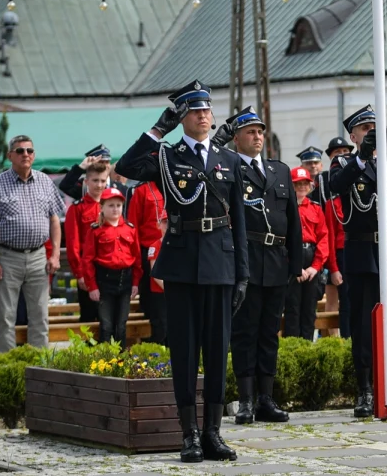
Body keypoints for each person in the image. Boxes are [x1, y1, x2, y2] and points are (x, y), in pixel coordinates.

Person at [115, 82, 248, 463]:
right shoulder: (166, 158)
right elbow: (125, 168)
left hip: (221, 264)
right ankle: (188, 434)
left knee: (218, 353)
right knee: (186, 353)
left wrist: (242, 275)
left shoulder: (229, 160)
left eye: (206, 110)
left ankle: (212, 434)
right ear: (182, 118)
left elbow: (238, 221)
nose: (203, 116)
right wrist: (158, 131)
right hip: (182, 263)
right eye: (194, 111)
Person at [328, 105, 387, 418]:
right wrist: (361, 157)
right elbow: (336, 186)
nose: (371, 133)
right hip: (363, 254)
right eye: (365, 129)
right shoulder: (343, 163)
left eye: (375, 127)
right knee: (364, 326)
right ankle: (365, 390)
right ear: (353, 135)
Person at [213, 106, 299, 426]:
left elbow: (292, 219)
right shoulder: (232, 167)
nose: (258, 136)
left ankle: (266, 398)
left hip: (276, 261)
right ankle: (246, 399)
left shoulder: (280, 171)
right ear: (236, 138)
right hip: (246, 260)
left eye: (260, 131)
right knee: (245, 333)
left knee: (269, 334)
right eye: (250, 132)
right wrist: (218, 148)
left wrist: (296, 261)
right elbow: (214, 175)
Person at [0, 135, 63, 352]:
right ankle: (7, 368)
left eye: (29, 150)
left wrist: (54, 256)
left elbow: (55, 220)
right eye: (20, 151)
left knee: (40, 317)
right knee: (5, 317)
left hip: (38, 257)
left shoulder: (45, 181)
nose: (25, 154)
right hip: (7, 257)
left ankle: (39, 368)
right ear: (10, 156)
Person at [81, 187, 141, 347]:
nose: (115, 209)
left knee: (121, 326)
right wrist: (92, 286)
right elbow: (87, 260)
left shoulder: (130, 229)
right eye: (111, 205)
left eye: (118, 205)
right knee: (106, 326)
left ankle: (120, 364)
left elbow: (137, 259)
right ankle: (106, 362)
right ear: (102, 207)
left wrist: (135, 283)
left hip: (125, 281)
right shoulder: (96, 230)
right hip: (104, 282)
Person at [283, 166, 329, 342]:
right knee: (292, 309)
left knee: (310, 311)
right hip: (291, 262)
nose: (302, 187)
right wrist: (295, 268)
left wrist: (315, 267)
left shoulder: (316, 209)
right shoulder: (285, 209)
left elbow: (323, 238)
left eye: (305, 183)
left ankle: (308, 348)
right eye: (298, 184)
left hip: (311, 262)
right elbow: (283, 239)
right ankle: (292, 349)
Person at [64, 162, 109, 324]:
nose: (99, 185)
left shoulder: (113, 206)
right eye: (95, 180)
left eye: (103, 181)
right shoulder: (77, 208)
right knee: (90, 318)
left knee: (110, 320)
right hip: (88, 270)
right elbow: (73, 244)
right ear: (86, 182)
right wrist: (80, 274)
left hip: (110, 269)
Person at [126, 178, 168, 344]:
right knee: (154, 307)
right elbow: (133, 224)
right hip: (149, 251)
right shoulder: (142, 190)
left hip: (173, 247)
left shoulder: (176, 183)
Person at [320, 136, 352, 337]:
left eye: (345, 153)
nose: (341, 157)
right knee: (343, 302)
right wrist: (333, 267)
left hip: (359, 253)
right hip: (340, 256)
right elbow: (329, 236)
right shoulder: (331, 201)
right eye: (337, 154)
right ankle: (341, 341)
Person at [59, 145, 126, 202]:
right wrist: (81, 168)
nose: (105, 166)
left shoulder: (120, 187)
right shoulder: (84, 186)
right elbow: (65, 186)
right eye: (101, 162)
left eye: (107, 162)